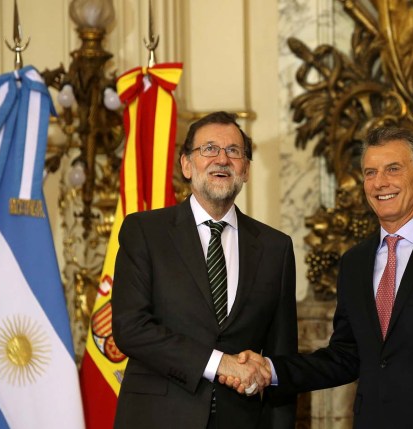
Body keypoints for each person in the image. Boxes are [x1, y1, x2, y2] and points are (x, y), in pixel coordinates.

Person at [224, 126, 413, 428]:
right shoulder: (354, 262)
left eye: (393, 169)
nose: (380, 182)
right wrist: (270, 368)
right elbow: (345, 356)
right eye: (370, 173)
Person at [112, 111, 298, 428]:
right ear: (186, 165)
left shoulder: (275, 248)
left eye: (234, 151)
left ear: (246, 169)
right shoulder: (145, 231)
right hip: (158, 419)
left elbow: (281, 360)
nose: (221, 159)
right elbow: (131, 328)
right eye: (209, 149)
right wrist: (219, 363)